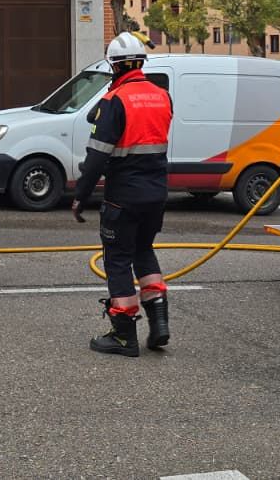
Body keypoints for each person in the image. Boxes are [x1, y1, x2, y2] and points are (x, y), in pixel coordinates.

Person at [71, 32, 173, 358]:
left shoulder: (114, 101)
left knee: (117, 259)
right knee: (144, 251)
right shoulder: (162, 96)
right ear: (141, 62)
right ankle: (159, 323)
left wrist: (80, 196)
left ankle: (124, 335)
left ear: (113, 67)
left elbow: (97, 156)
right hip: (156, 193)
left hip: (123, 196)